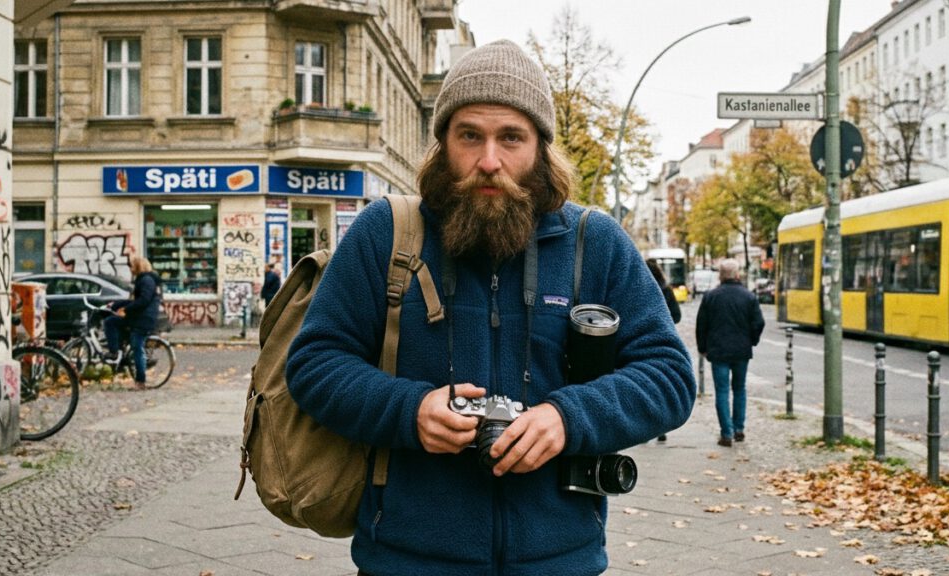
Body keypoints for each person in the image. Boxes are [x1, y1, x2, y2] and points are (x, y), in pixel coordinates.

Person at [286, 39, 695, 576]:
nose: (489, 161)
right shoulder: (384, 233)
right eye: (469, 136)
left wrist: (566, 419)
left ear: (541, 148)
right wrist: (409, 411)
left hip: (560, 559)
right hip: (406, 559)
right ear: (443, 143)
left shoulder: (595, 243)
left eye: (511, 138)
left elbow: (668, 377)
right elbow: (314, 363)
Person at [694, 258, 765, 447]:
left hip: (718, 351)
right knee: (740, 389)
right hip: (741, 351)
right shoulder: (749, 297)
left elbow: (701, 325)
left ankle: (726, 433)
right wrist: (752, 340)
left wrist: (702, 347)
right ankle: (739, 429)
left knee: (722, 391)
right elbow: (758, 322)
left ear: (721, 276)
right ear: (737, 274)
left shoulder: (711, 296)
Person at [103, 256, 161, 388]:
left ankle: (140, 380)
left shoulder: (146, 280)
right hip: (142, 316)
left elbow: (143, 301)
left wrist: (126, 310)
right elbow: (136, 301)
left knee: (136, 347)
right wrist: (116, 305)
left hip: (143, 319)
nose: (130, 268)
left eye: (132, 266)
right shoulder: (146, 279)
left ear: (138, 266)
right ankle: (119, 353)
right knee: (113, 321)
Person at [647, 258, 682, 444]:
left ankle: (645, 428)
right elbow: (677, 315)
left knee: (643, 385)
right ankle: (661, 429)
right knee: (660, 386)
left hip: (641, 342)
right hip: (662, 344)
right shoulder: (666, 290)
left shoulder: (641, 290)